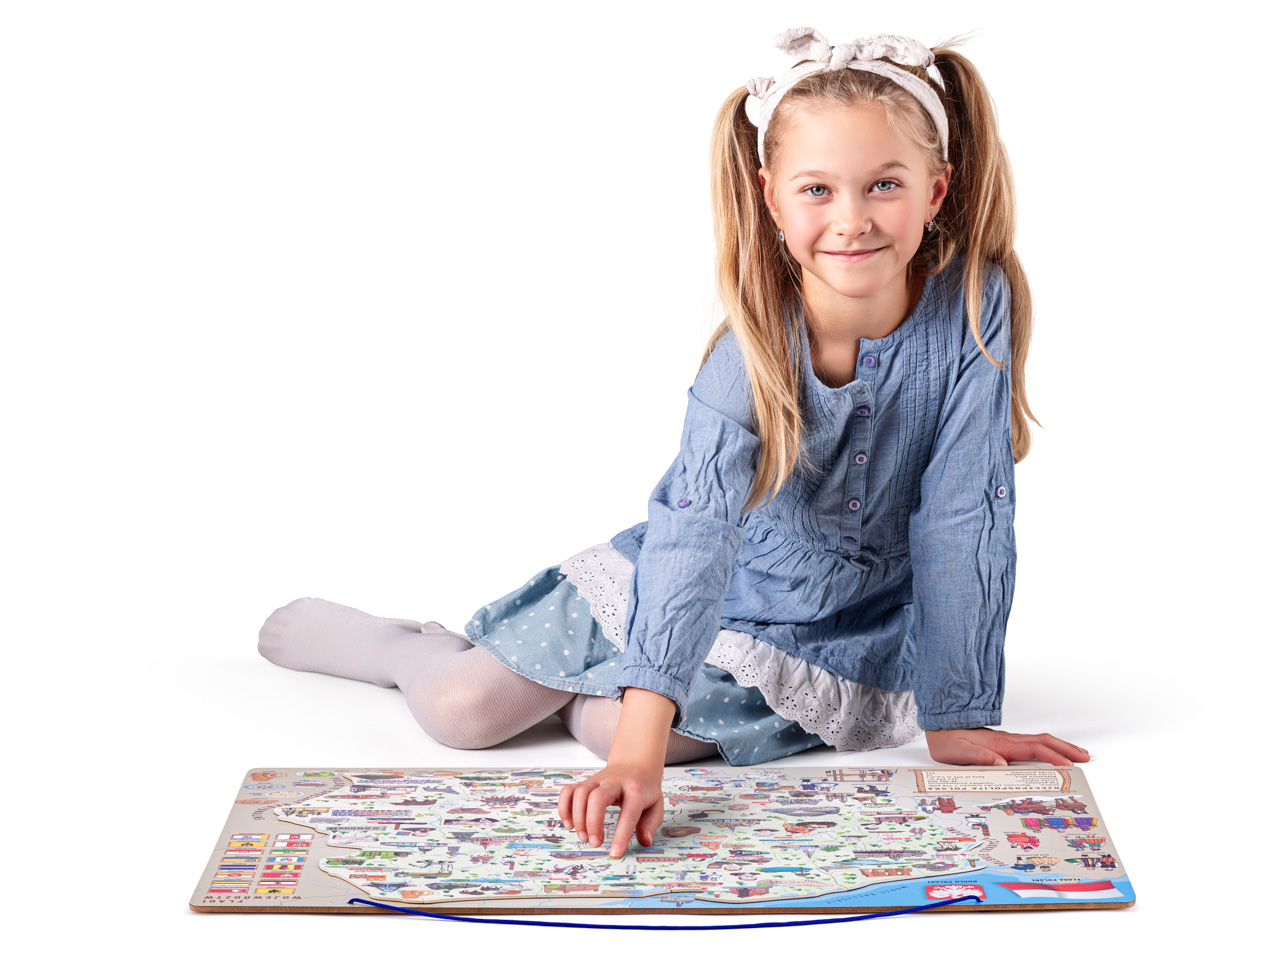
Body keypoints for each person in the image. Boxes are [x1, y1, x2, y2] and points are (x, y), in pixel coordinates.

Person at [256, 26, 1089, 862]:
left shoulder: (975, 309)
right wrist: (638, 750)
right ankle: (402, 646)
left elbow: (963, 517)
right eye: (817, 189)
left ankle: (613, 692)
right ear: (771, 198)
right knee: (461, 713)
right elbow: (698, 532)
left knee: (613, 728)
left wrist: (957, 713)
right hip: (702, 576)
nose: (852, 219)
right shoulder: (751, 348)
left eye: (884, 185)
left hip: (827, 631)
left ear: (936, 190)